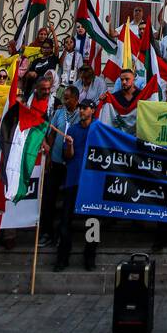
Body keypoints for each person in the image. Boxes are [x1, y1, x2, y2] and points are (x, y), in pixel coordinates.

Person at [54, 98, 98, 272]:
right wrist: (70, 145)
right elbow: (68, 155)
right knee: (66, 222)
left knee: (93, 222)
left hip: (91, 183)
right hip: (73, 179)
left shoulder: (98, 129)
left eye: (85, 108)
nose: (81, 111)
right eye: (80, 108)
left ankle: (90, 257)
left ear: (92, 110)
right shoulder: (72, 129)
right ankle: (62, 258)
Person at [39, 84, 80, 247]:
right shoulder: (58, 113)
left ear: (76, 99)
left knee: (68, 202)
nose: (65, 100)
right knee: (49, 198)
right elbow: (51, 134)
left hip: (71, 165)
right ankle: (46, 233)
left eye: (68, 98)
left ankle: (62, 234)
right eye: (64, 97)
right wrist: (48, 154)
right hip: (55, 162)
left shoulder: (80, 114)